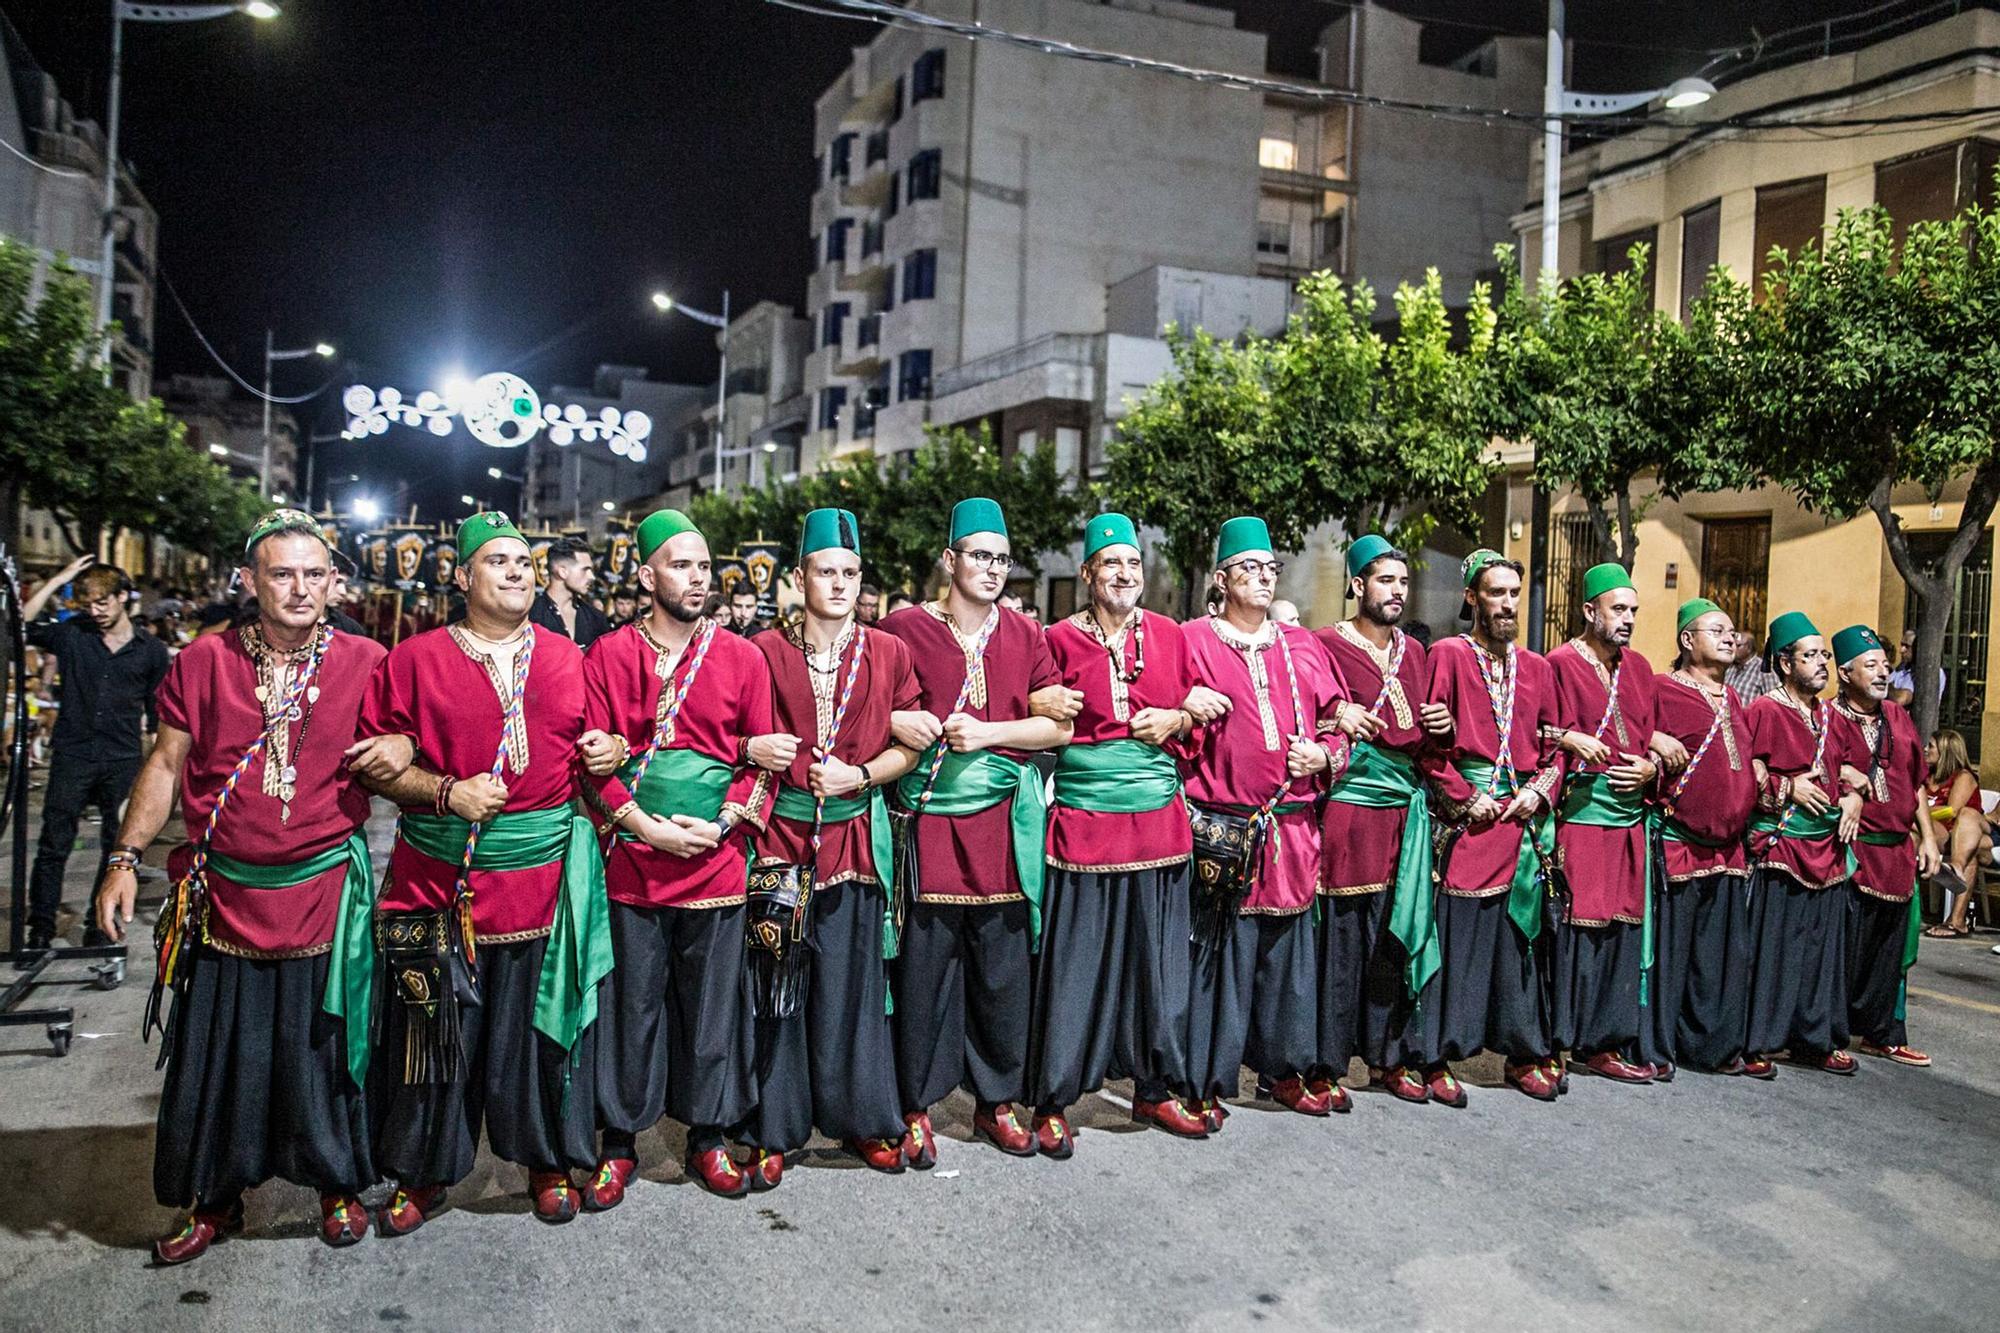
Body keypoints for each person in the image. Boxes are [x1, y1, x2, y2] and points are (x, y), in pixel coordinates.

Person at [95, 510, 413, 1262]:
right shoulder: (203, 660)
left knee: (324, 1047)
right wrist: (123, 857)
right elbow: (167, 765)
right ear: (250, 581)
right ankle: (214, 1198)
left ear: (335, 583)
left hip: (324, 889)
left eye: (313, 573)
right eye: (281, 573)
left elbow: (414, 738)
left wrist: (403, 741)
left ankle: (337, 1183)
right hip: (226, 896)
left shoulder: (370, 658)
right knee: (220, 1054)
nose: (299, 588)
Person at [356, 511, 614, 1231]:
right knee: (432, 1031)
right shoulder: (412, 658)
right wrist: (444, 790)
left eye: (525, 563)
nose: (515, 573)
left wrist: (611, 748)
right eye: (497, 562)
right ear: (463, 575)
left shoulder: (569, 656)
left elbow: (596, 750)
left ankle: (545, 1159)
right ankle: (423, 1168)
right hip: (441, 878)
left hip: (541, 878)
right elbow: (384, 768)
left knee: (536, 1030)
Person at [577, 509, 779, 1201]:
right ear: (646, 575)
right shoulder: (606, 654)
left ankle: (708, 1136)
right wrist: (646, 827)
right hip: (635, 857)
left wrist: (725, 821)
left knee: (711, 1008)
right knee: (631, 1006)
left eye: (703, 566)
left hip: (716, 863)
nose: (697, 578)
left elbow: (763, 759)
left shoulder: (742, 656)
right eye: (681, 565)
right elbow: (591, 765)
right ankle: (619, 1139)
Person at [879, 497, 1068, 1165]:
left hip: (1005, 825)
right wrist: (902, 722)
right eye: (979, 555)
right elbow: (879, 709)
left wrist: (991, 732)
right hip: (930, 823)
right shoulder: (902, 627)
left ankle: (995, 1101)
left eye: (1002, 558)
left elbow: (1057, 727)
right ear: (948, 558)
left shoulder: (1023, 634)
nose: (992, 568)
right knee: (924, 972)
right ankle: (913, 1104)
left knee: (1002, 973)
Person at [737, 509, 920, 1182]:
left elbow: (908, 745)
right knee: (776, 982)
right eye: (824, 571)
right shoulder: (761, 649)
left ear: (861, 579)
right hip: (780, 836)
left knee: (850, 986)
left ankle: (863, 1117)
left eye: (848, 573)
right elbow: (731, 736)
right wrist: (750, 747)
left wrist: (862, 775)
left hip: (853, 839)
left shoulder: (889, 652)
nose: (838, 584)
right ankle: (772, 1123)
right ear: (799, 577)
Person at [1028, 514, 1216, 1149]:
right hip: (1084, 822)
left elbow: (1201, 709)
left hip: (1159, 825)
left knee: (1159, 968)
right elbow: (1029, 704)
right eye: (1111, 564)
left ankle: (1155, 1090)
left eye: (1133, 565)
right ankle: (1054, 1097)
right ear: (1087, 574)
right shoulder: (1054, 638)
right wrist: (1038, 704)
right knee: (1075, 967)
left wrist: (1179, 717)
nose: (1125, 574)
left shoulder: (1170, 634)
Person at [1181, 517, 1349, 1126]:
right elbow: (1173, 728)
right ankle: (1206, 1076)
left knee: (1288, 961)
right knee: (1218, 961)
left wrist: (1326, 755)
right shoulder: (1192, 639)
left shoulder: (1303, 645)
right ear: (1221, 578)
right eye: (1249, 568)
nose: (1262, 578)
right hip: (1223, 832)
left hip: (1294, 828)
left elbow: (1337, 721)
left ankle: (1283, 1071)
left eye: (1270, 569)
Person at [1415, 550, 1565, 1102]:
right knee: (1462, 946)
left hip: (1520, 827)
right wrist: (1466, 796)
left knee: (1517, 947)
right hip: (1471, 828)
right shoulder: (1449, 655)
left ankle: (1523, 1053)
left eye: (1514, 595)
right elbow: (1427, 752)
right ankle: (1436, 1058)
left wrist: (1537, 791)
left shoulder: (1540, 668)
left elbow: (1555, 749)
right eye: (1496, 593)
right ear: (1472, 599)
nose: (1507, 605)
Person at [1313, 536, 1455, 1106]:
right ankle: (1324, 1061)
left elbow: (1426, 740)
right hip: (1348, 806)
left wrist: (1441, 725)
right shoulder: (1324, 643)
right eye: (1385, 581)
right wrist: (1334, 715)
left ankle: (1389, 1057)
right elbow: (1315, 714)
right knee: (1343, 938)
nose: (1397, 592)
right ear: (1357, 586)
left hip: (1404, 809)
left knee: (1394, 934)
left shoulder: (1417, 653)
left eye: (1402, 582)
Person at [1544, 563, 1678, 1083]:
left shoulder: (1640, 668)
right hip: (1582, 813)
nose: (1627, 619)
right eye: (1618, 609)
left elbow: (1647, 735)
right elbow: (1537, 730)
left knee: (1622, 928)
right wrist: (1565, 738)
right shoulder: (1557, 663)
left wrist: (1649, 764)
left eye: (1633, 611)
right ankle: (1560, 1039)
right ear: (1589, 610)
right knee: (1577, 926)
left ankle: (1605, 1042)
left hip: (1630, 818)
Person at [21, 556, 171, 953]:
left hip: (121, 757)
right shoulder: (73, 634)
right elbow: (19, 623)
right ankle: (40, 925)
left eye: (104, 602)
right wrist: (62, 578)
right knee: (54, 844)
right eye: (88, 604)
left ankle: (97, 923)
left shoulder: (150, 650)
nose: (96, 611)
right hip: (73, 752)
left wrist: (158, 769)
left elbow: (158, 716)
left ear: (124, 598)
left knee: (116, 844)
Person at [1743, 612, 1867, 1076]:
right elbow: (1746, 777)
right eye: (1810, 655)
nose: (1821, 664)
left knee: (1820, 954)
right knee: (1776, 949)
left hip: (1829, 850)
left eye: (1825, 656)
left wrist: (1854, 797)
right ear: (1784, 662)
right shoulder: (1764, 712)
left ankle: (1815, 1039)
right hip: (1783, 847)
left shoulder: (1833, 716)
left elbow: (1854, 770)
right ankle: (1758, 1040)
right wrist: (1787, 788)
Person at [1646, 599, 1765, 1077]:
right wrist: (1653, 737)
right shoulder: (1661, 688)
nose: (1729, 637)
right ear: (1686, 640)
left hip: (1730, 848)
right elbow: (1630, 729)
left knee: (1721, 956)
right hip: (1683, 843)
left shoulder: (1733, 698)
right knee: (1676, 954)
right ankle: (1663, 1046)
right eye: (1717, 630)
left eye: (1732, 631)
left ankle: (1713, 1047)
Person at [1828, 626, 1937, 1067]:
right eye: (1870, 666)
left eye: (1885, 666)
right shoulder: (1828, 718)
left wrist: (1927, 836)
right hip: (1854, 853)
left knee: (1892, 953)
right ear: (1845, 672)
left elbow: (1917, 784)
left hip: (1897, 853)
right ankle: (1831, 1031)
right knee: (1844, 950)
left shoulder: (1897, 715)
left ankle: (1883, 1034)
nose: (1882, 673)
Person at [1923, 728, 1987, 937]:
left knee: (1970, 838)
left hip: (1961, 832)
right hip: (1936, 834)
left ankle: (1957, 919)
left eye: (1931, 746)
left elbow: (1951, 811)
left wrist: (1921, 812)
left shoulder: (1963, 777)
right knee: (1905, 828)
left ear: (1946, 751)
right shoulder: (1924, 777)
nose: (1925, 749)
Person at [531, 537, 610, 650]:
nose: (591, 577)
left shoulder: (596, 618)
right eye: (585, 570)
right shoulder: (531, 616)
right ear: (562, 572)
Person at [1886, 627, 1944, 710]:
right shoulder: (1903, 667)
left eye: (1907, 646)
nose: (1901, 650)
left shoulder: (1932, 672)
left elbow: (1900, 699)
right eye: (1902, 645)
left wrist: (1883, 681)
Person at [1726, 628, 1776, 703]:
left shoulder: (1763, 669)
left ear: (1749, 648)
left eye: (1738, 646)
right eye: (1732, 645)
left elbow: (1773, 702)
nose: (1733, 648)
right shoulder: (1729, 667)